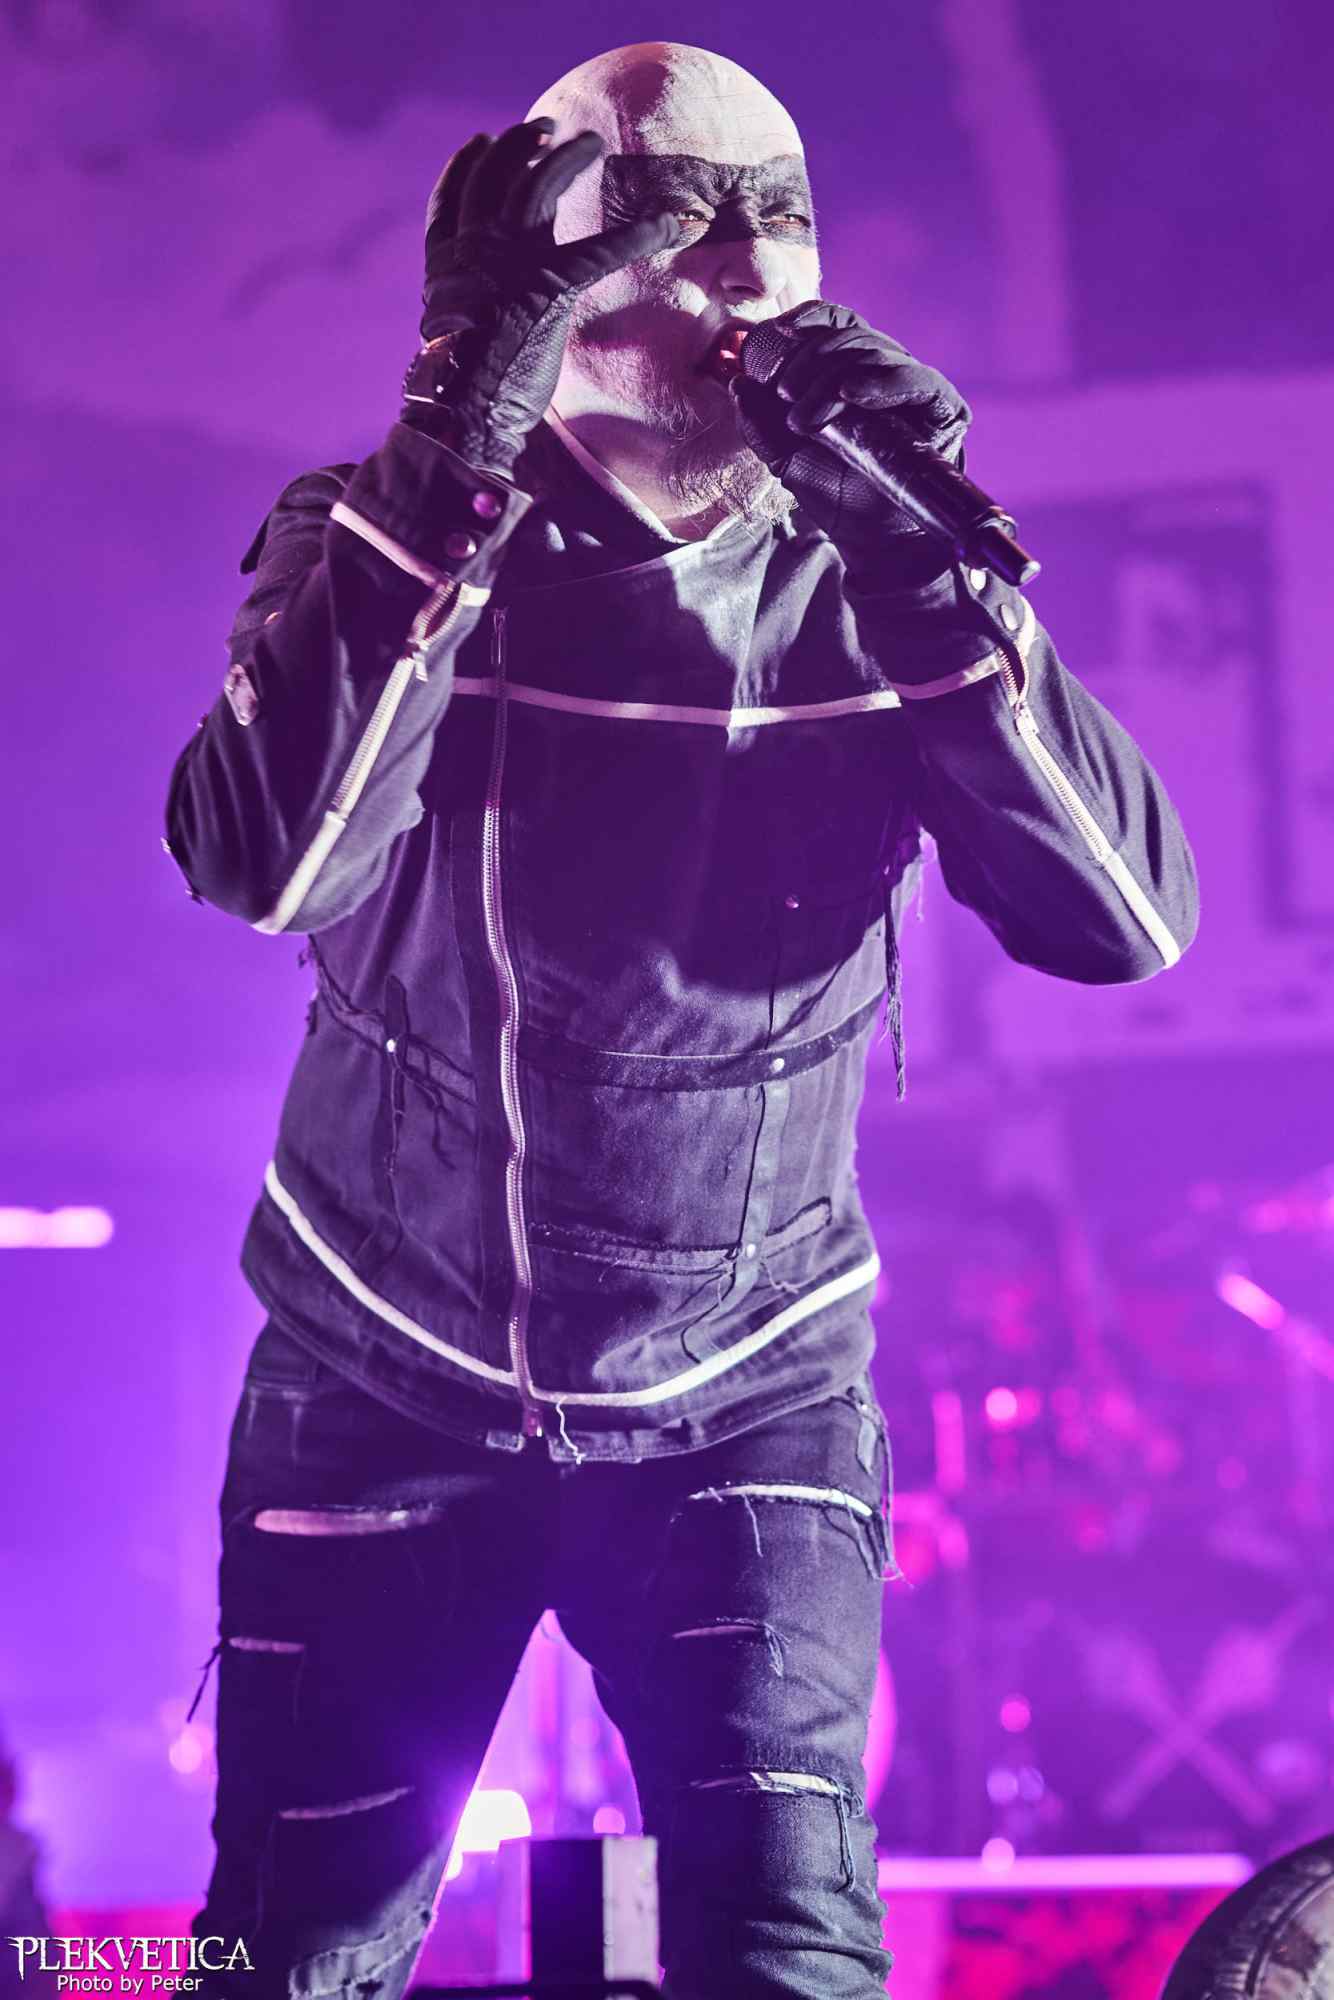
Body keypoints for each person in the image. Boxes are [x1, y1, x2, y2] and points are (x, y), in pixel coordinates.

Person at [165, 41, 1197, 2000]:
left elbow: (1124, 920)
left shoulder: (870, 569)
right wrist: (451, 434)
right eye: (657, 218)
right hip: (384, 1363)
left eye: (770, 213)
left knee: (788, 1953)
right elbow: (268, 862)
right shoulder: (384, 531)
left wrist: (933, 563)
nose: (735, 264)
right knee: (284, 1959)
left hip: (749, 1382)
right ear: (533, 277)